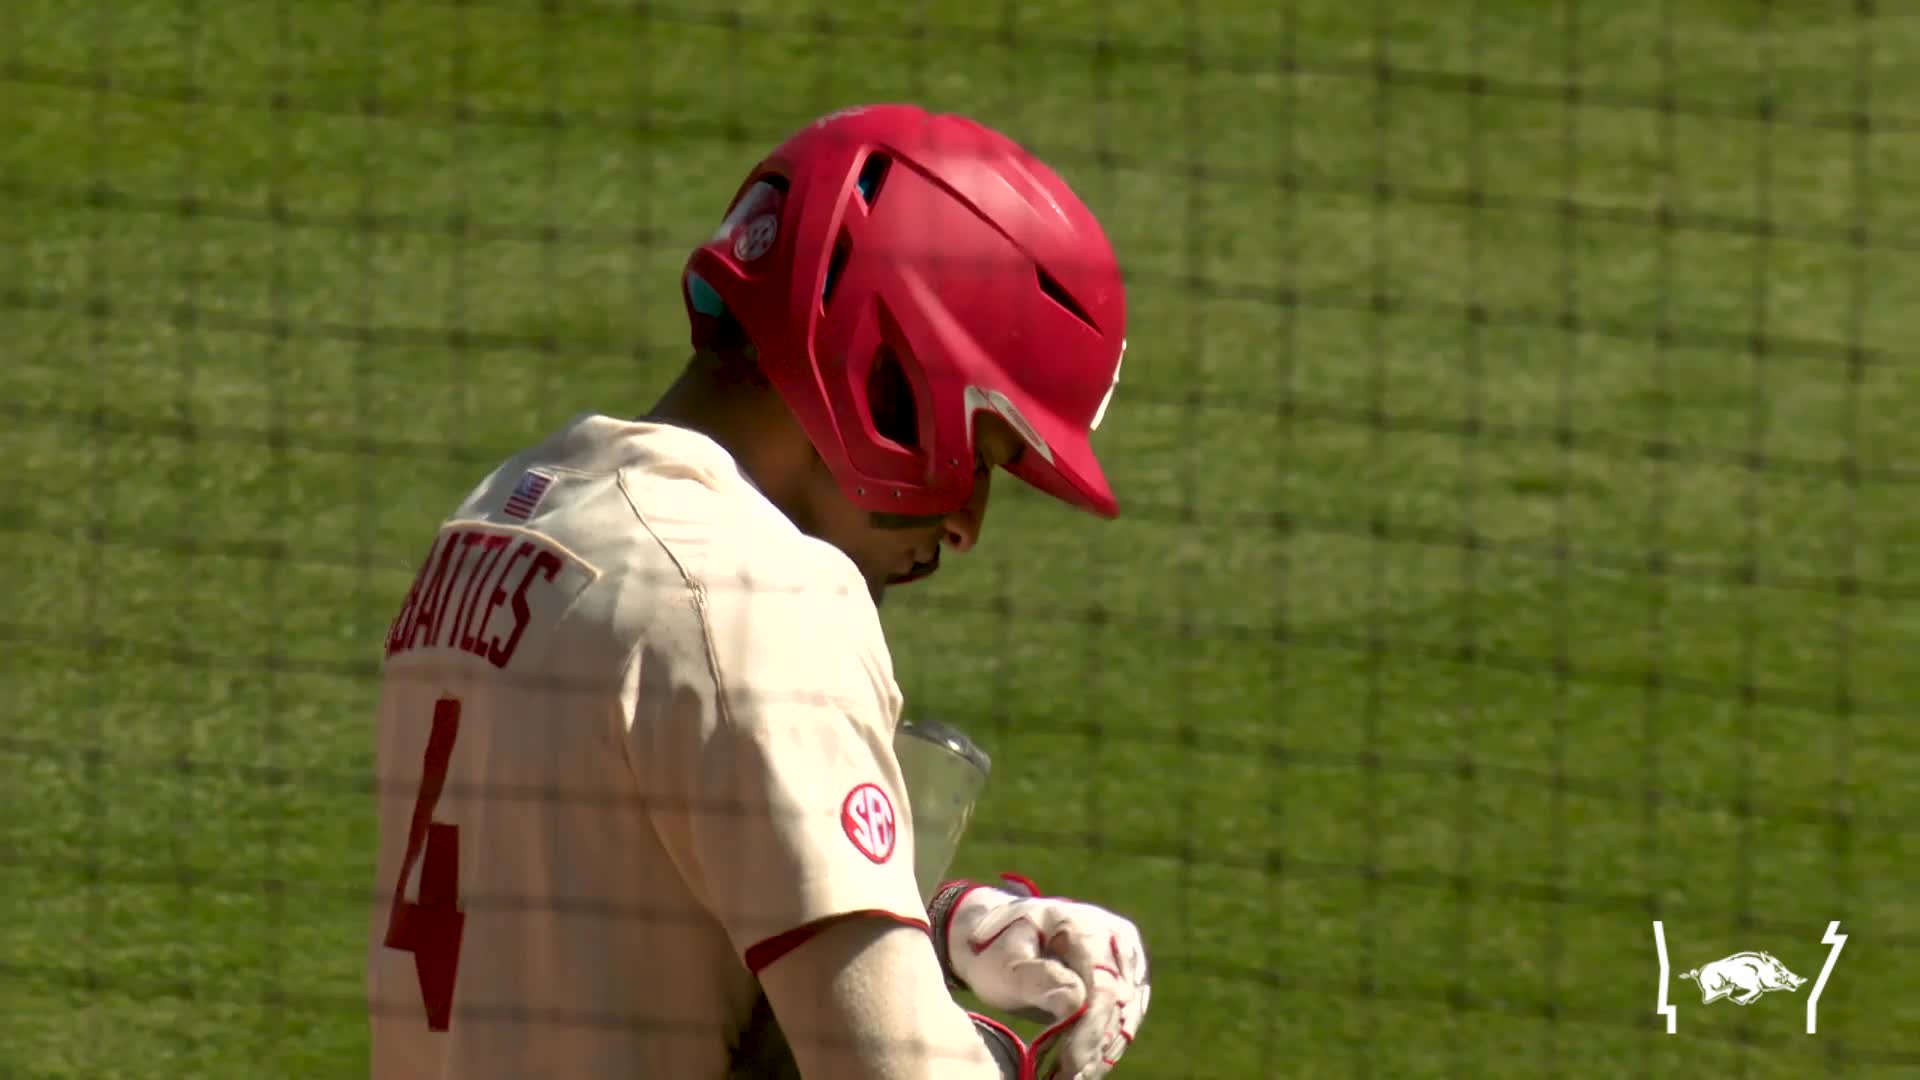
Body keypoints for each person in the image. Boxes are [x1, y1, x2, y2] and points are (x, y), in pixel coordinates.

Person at [366, 102, 1151, 1079]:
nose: (965, 525)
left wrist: (939, 926)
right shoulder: (758, 599)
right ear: (889, 375)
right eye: (983, 457)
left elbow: (618, 896)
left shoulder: (506, 517)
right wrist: (1025, 1051)